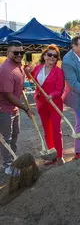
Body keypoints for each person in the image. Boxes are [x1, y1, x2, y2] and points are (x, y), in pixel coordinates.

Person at [25, 44, 65, 165]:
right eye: (49, 54)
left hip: (54, 103)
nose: (52, 57)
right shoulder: (38, 68)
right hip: (41, 102)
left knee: (56, 130)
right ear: (44, 55)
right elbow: (30, 76)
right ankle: (51, 155)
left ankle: (59, 156)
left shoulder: (59, 72)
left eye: (55, 56)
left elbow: (60, 89)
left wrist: (52, 95)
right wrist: (26, 71)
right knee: (47, 130)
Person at [0, 40, 34, 175]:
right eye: (16, 52)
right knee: (6, 138)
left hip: (14, 109)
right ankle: (8, 165)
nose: (19, 54)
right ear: (8, 53)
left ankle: (14, 159)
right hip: (4, 109)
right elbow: (8, 95)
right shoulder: (5, 70)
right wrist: (26, 108)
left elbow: (18, 84)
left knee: (14, 135)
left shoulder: (18, 65)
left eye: (21, 52)